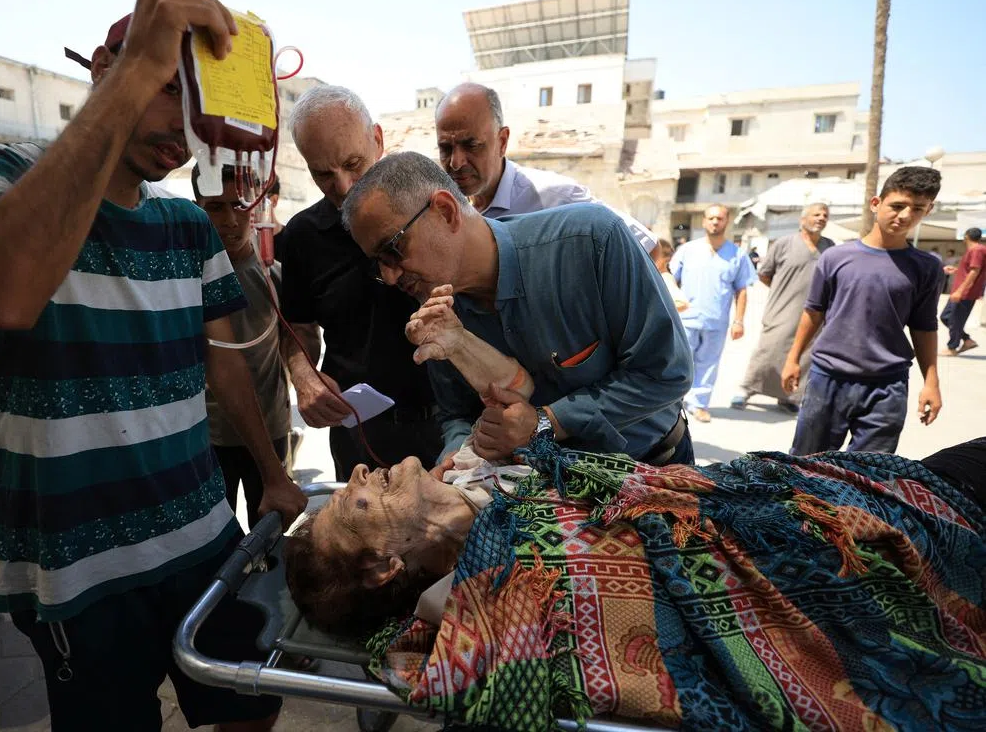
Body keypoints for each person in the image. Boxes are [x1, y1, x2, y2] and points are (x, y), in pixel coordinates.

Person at [283, 318, 986, 731]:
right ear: (385, 566)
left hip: (814, 485)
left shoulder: (464, 466)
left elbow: (517, 395)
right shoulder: (488, 592)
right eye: (358, 506)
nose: (355, 477)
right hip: (830, 555)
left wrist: (457, 340)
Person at [0, 0, 306, 728]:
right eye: (170, 90)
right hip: (78, 572)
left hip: (205, 537)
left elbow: (222, 359)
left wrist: (272, 475)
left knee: (249, 704)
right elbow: (0, 293)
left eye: (203, 109)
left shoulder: (186, 228)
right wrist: (141, 62)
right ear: (105, 70)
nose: (186, 129)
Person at [342, 151, 693, 467]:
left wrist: (546, 422)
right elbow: (456, 414)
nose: (389, 276)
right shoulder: (436, 309)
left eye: (393, 249)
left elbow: (666, 373)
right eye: (377, 264)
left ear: (446, 212)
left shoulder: (589, 242)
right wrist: (456, 455)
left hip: (653, 468)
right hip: (541, 496)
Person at [278, 86, 443, 479]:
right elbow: (298, 328)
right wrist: (303, 375)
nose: (345, 187)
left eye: (354, 163)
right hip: (357, 433)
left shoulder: (430, 209)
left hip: (443, 425)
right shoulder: (303, 236)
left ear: (379, 141)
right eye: (323, 174)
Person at [783, 167, 945, 456]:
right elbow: (814, 311)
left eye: (917, 208)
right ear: (876, 204)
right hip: (828, 377)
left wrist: (931, 382)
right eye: (897, 205)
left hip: (888, 386)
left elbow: (924, 327)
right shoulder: (835, 258)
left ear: (928, 210)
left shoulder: (926, 267)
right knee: (807, 466)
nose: (906, 215)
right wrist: (793, 358)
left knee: (870, 473)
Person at [435, 82, 658, 253]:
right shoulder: (446, 211)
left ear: (502, 141)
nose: (456, 162)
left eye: (471, 145)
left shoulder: (557, 197)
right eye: (445, 148)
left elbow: (648, 248)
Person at [193, 164, 291, 529]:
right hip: (209, 437)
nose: (231, 220)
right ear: (196, 208)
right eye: (215, 207)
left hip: (270, 431)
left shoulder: (275, 274)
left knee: (270, 537)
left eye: (239, 205)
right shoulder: (184, 279)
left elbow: (298, 341)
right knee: (216, 538)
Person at [733, 203, 835, 413]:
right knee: (770, 348)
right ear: (803, 220)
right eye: (816, 214)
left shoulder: (830, 247)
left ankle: (788, 395)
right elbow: (764, 274)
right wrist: (784, 289)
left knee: (805, 353)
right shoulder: (784, 243)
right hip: (783, 308)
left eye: (825, 215)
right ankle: (747, 388)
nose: (821, 218)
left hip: (815, 311)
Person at [669, 205, 757, 422]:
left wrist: (739, 321)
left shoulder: (737, 255)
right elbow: (670, 279)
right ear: (704, 222)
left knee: (708, 364)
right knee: (679, 363)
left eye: (720, 218)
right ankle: (671, 404)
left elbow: (742, 289)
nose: (715, 222)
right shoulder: (688, 250)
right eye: (711, 218)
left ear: (727, 221)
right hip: (685, 320)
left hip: (716, 321)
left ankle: (698, 404)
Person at [940, 227, 984, 355]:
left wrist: (960, 291)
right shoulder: (974, 250)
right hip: (959, 292)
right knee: (946, 317)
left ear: (966, 236)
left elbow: (975, 271)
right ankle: (967, 340)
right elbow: (970, 270)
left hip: (965, 293)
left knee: (955, 319)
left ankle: (952, 348)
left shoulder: (977, 250)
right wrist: (956, 270)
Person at [652, 238, 688, 312]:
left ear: (665, 259)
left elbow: (682, 303)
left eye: (652, 255)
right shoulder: (660, 276)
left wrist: (652, 308)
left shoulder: (665, 277)